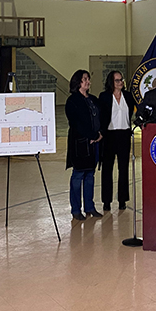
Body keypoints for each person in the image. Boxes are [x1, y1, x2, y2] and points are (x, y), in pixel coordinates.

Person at [65, 69, 103, 221]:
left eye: (88, 79)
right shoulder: (72, 101)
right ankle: (75, 209)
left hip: (94, 144)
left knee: (90, 175)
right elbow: (76, 123)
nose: (88, 82)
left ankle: (89, 207)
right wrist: (92, 135)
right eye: (85, 79)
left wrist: (99, 134)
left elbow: (100, 117)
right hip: (80, 143)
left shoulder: (93, 99)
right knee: (78, 175)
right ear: (78, 82)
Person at [99, 71, 135, 211]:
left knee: (123, 168)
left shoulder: (128, 96)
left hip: (124, 134)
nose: (120, 82)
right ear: (111, 82)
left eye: (121, 79)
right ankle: (106, 201)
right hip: (109, 135)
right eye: (117, 80)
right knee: (107, 169)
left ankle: (122, 200)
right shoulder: (104, 96)